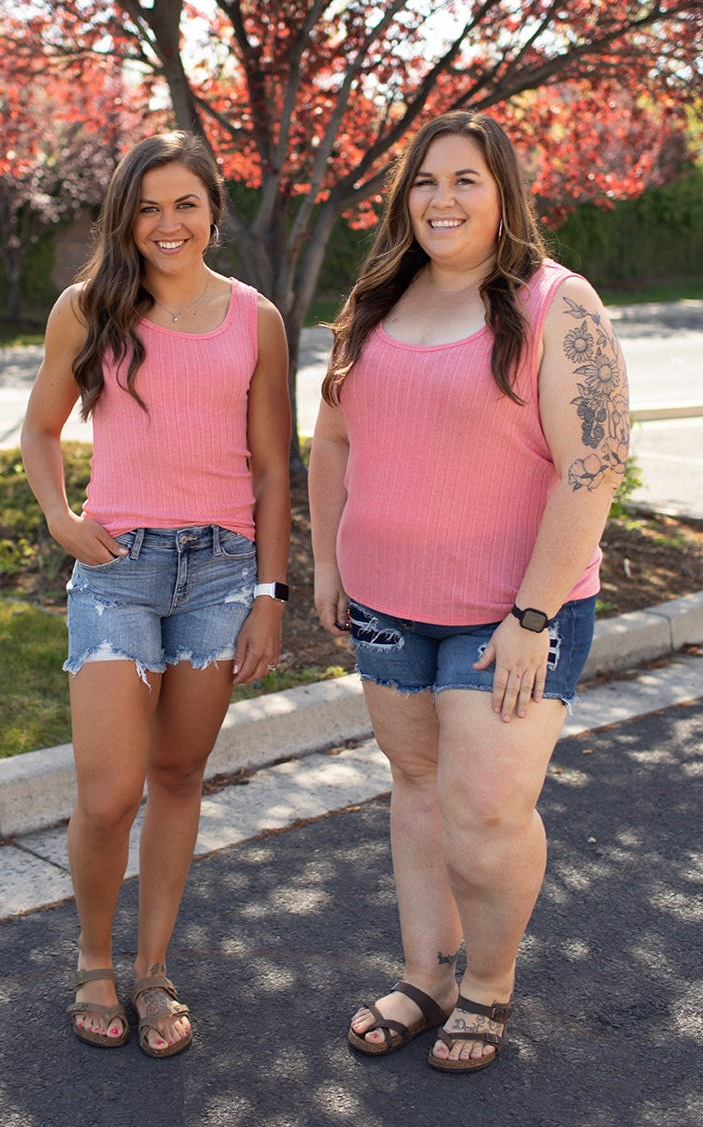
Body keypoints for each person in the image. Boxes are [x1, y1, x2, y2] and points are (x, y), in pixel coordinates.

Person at [309, 110, 628, 1073]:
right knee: (417, 787)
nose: (440, 199)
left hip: (513, 615)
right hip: (387, 606)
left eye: (464, 180)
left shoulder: (556, 303)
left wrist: (533, 613)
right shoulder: (377, 296)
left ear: (502, 195)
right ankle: (427, 975)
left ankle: (488, 981)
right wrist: (328, 565)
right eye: (424, 180)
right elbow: (334, 437)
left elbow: (595, 465)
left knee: (485, 811)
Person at [21, 131, 290, 1057]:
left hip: (221, 572)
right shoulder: (87, 307)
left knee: (178, 774)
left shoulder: (255, 318)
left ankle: (152, 968)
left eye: (185, 204)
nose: (167, 224)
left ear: (214, 210)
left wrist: (271, 593)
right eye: (147, 207)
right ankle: (94, 959)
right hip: (118, 570)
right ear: (124, 216)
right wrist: (60, 518)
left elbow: (272, 467)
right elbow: (41, 430)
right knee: (109, 794)